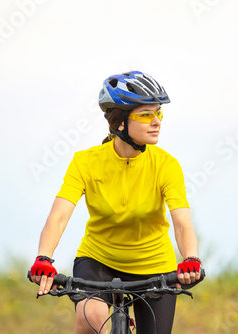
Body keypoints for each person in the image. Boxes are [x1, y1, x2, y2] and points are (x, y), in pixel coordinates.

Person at [29, 71, 203, 334]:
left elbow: (181, 223)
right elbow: (59, 216)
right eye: (146, 115)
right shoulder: (85, 162)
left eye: (159, 114)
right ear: (119, 122)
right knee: (91, 319)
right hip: (98, 262)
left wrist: (191, 258)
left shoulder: (166, 165)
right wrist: (44, 258)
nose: (157, 121)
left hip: (155, 266)